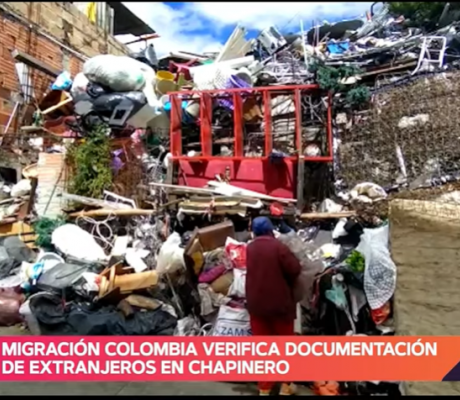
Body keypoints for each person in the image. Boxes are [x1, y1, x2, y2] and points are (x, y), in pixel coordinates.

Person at [245, 216, 302, 396]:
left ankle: (264, 388)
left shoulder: (250, 248)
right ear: (270, 229)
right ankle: (286, 386)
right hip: (280, 305)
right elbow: (295, 269)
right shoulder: (279, 247)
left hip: (256, 306)